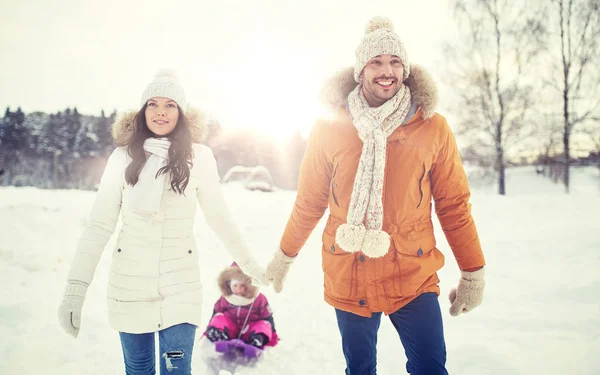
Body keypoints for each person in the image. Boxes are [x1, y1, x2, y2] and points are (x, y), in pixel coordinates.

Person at [265, 17, 486, 375]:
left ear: (406, 69)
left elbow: (453, 205)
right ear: (360, 70)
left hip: (413, 273)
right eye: (376, 62)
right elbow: (310, 201)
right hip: (350, 272)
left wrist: (473, 273)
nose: (387, 71)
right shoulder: (329, 126)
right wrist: (284, 256)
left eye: (395, 62)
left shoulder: (432, 126)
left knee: (430, 366)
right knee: (361, 368)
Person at [57, 69, 269, 375]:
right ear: (142, 111)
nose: (160, 112)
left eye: (170, 105)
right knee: (139, 370)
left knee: (176, 370)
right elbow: (99, 226)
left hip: (179, 286)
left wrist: (249, 266)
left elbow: (218, 217)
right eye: (153, 104)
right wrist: (75, 290)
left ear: (181, 112)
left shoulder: (200, 157)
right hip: (128, 285)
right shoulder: (122, 157)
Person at [204, 262, 279, 349]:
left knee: (263, 325)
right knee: (219, 318)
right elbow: (216, 313)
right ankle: (218, 334)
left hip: (250, 329)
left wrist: (272, 332)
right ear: (229, 285)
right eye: (235, 285)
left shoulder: (259, 299)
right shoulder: (226, 298)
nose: (238, 289)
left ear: (249, 286)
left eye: (242, 286)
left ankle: (256, 340)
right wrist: (212, 326)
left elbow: (267, 318)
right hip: (230, 329)